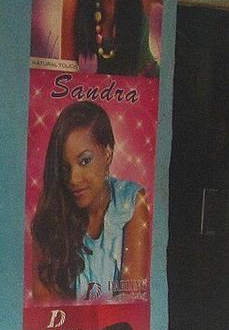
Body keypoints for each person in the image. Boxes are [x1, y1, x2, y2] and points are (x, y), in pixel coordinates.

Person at [29, 100, 151, 302]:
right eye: (65, 167)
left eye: (85, 161)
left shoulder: (130, 202)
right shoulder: (50, 215)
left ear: (108, 153)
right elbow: (46, 309)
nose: (73, 179)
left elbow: (133, 299)